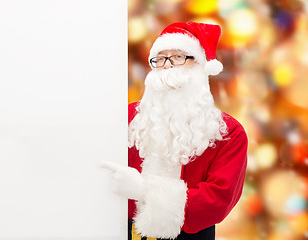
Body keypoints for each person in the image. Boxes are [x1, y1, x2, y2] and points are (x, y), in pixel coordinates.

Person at [101, 22, 248, 240]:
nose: (168, 66)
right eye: (160, 59)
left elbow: (218, 200)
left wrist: (144, 190)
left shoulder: (228, 133)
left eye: (179, 57)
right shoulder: (126, 118)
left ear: (199, 66)